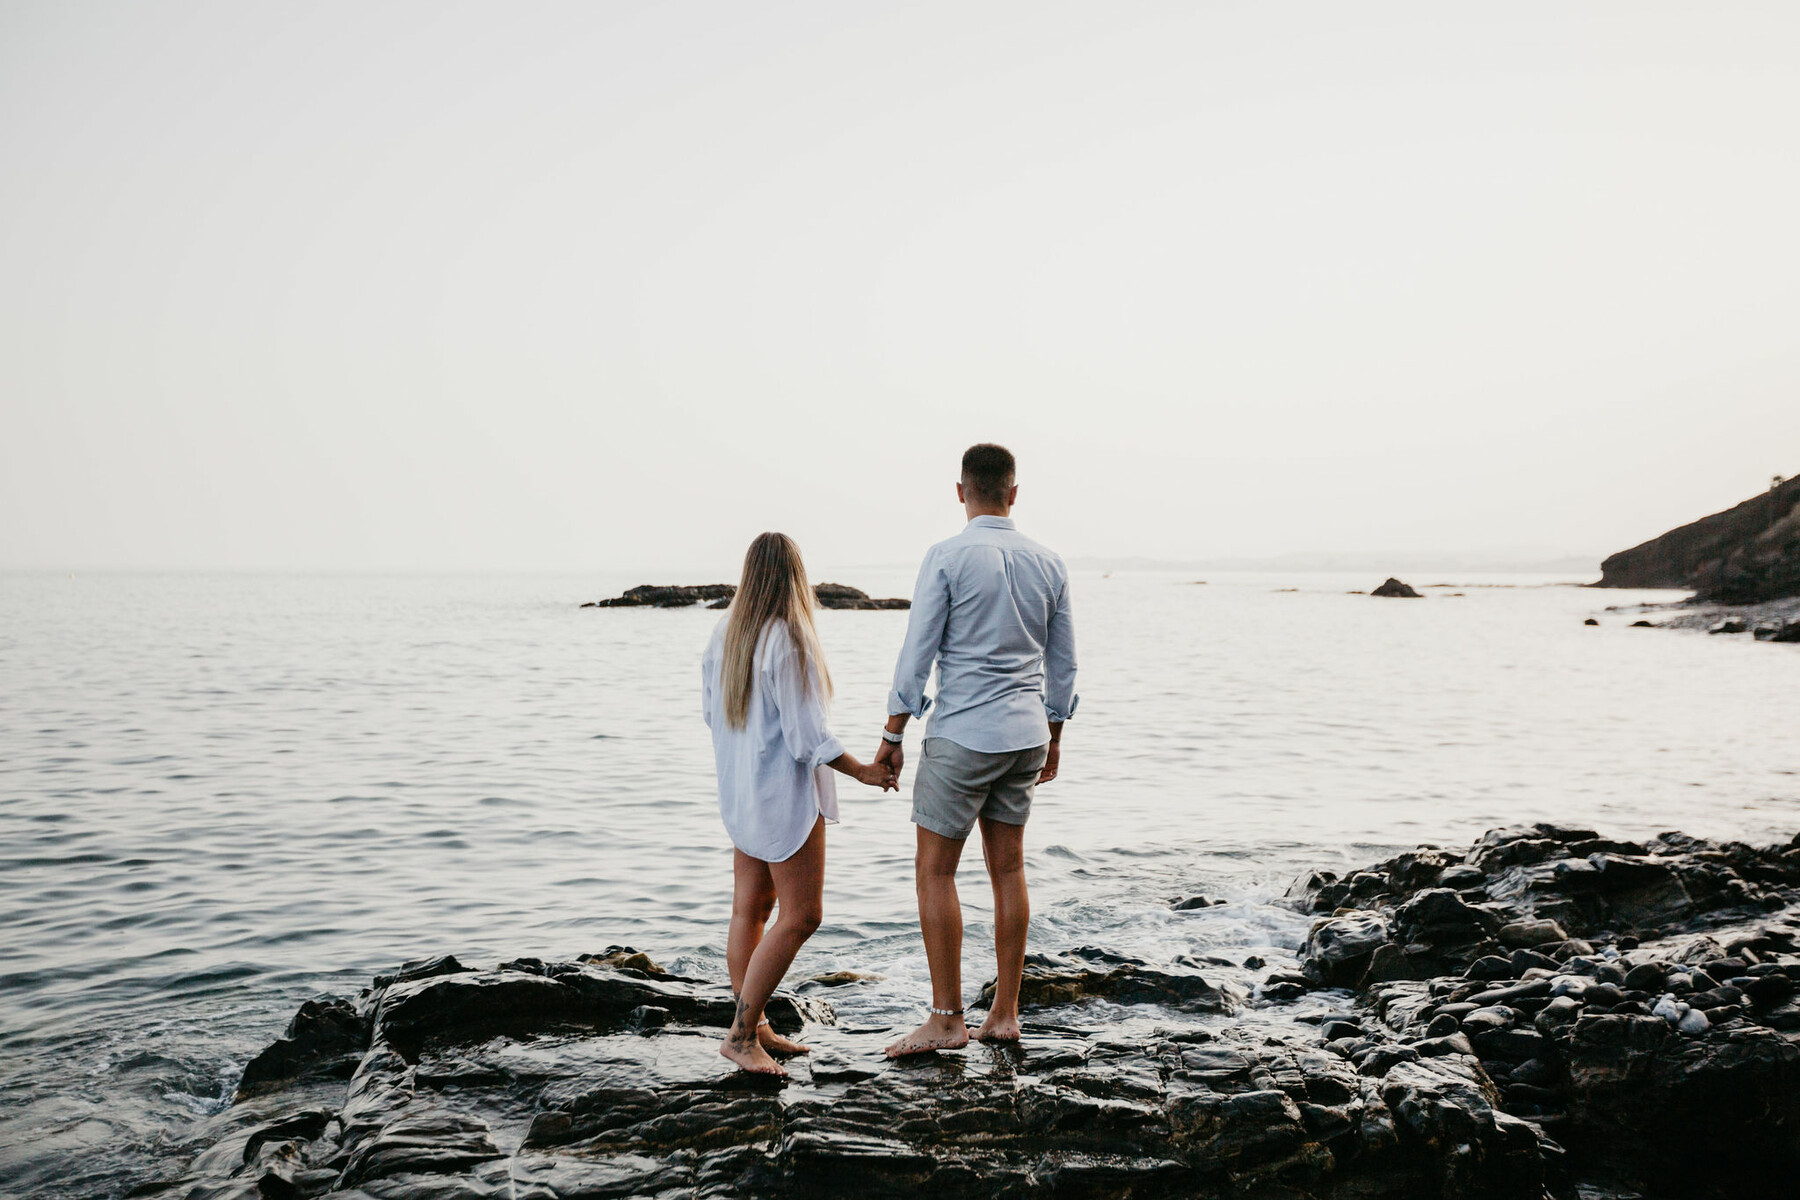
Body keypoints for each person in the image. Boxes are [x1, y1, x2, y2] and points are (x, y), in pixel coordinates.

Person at [875, 444, 1077, 1057]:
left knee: (936, 871)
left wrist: (891, 735)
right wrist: (1056, 734)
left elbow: (916, 654)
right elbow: (1062, 664)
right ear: (1013, 493)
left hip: (962, 733)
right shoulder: (1050, 562)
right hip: (1024, 735)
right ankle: (1006, 1013)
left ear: (961, 492)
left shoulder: (946, 557)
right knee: (1008, 869)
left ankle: (946, 1019)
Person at [701, 532, 896, 1076]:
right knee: (802, 915)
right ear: (795, 578)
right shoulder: (787, 639)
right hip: (782, 796)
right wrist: (864, 771)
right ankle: (741, 1036)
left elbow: (711, 717)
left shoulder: (725, 633)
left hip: (741, 791)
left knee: (751, 911)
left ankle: (755, 1024)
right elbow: (807, 736)